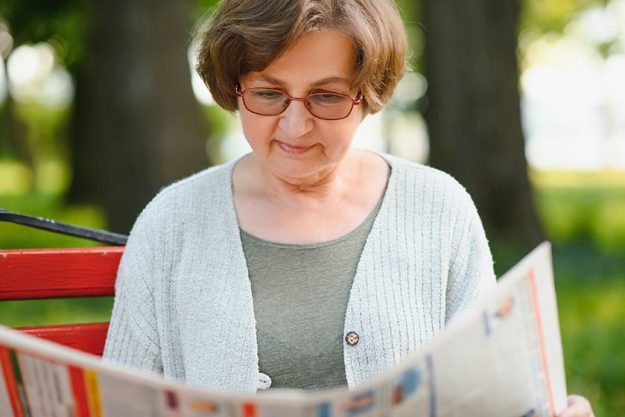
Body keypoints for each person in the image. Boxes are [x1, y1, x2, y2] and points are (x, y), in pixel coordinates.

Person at [103, 0, 594, 415]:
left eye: (327, 96)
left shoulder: (438, 210)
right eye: (269, 94)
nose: (295, 127)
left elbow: (491, 394)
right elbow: (120, 400)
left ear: (367, 94)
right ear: (234, 86)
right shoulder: (171, 222)